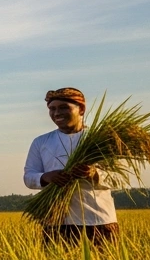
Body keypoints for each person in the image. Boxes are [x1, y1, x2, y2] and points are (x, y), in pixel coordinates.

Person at [23, 87, 118, 246]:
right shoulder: (41, 142)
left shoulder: (101, 140)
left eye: (63, 107)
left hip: (98, 220)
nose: (56, 113)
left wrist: (94, 174)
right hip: (57, 222)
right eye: (52, 109)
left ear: (81, 109)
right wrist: (46, 177)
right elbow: (28, 177)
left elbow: (120, 178)